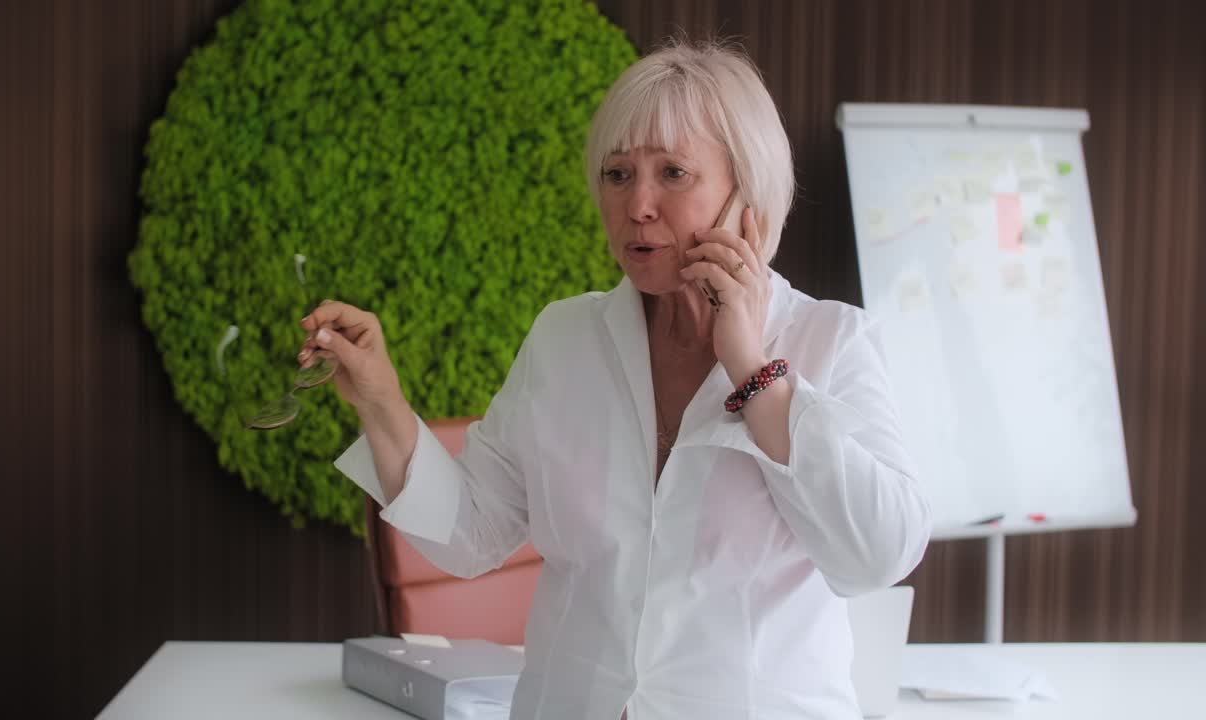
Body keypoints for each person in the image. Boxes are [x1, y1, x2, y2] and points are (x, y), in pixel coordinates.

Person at [298, 39, 931, 720]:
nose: (638, 205)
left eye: (674, 173)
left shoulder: (831, 340)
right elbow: (470, 533)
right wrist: (381, 400)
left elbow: (877, 556)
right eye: (618, 173)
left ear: (747, 197)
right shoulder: (565, 339)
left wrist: (753, 371)